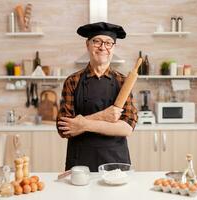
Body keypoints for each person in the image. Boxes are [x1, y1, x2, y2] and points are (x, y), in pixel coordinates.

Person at [56, 22, 138, 172]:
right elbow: (65, 129)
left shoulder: (123, 82)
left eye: (108, 43)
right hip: (80, 161)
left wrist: (83, 124)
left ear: (113, 48)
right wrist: (103, 116)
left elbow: (127, 128)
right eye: (97, 41)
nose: (103, 47)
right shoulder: (72, 81)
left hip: (115, 161)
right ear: (87, 45)